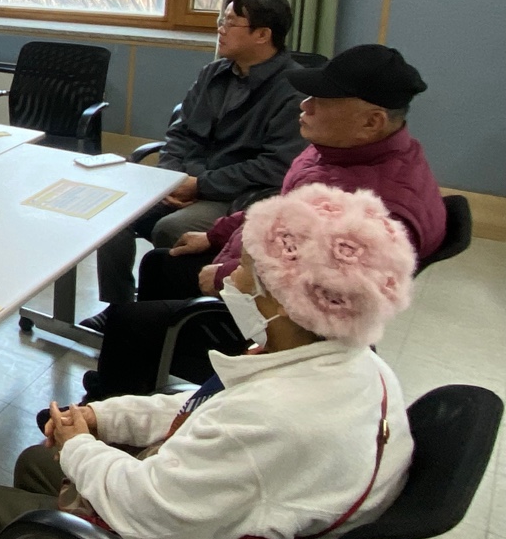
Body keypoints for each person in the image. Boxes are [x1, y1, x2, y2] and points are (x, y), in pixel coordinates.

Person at [0, 184, 416, 539]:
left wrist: (77, 446)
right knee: (38, 461)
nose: (232, 277)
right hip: (214, 518)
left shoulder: (276, 418)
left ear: (287, 301)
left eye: (247, 269)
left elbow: (145, 508)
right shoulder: (348, 361)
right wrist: (100, 417)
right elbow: (202, 405)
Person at [84, 44, 445, 399]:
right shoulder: (338, 151)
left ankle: (113, 403)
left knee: (131, 321)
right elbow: (280, 208)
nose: (304, 105)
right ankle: (140, 379)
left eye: (320, 101)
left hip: (286, 319)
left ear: (372, 121)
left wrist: (227, 275)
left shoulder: (381, 209)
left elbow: (319, 294)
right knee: (160, 263)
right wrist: (216, 235)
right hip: (256, 264)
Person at [89, 0, 306, 320]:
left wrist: (199, 185)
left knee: (171, 228)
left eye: (230, 23)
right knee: (113, 214)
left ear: (263, 35)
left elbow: (275, 167)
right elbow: (180, 132)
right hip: (186, 179)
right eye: (222, 20)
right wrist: (170, 178)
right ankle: (118, 309)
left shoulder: (292, 91)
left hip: (236, 195)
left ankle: (162, 317)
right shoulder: (213, 74)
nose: (220, 29)